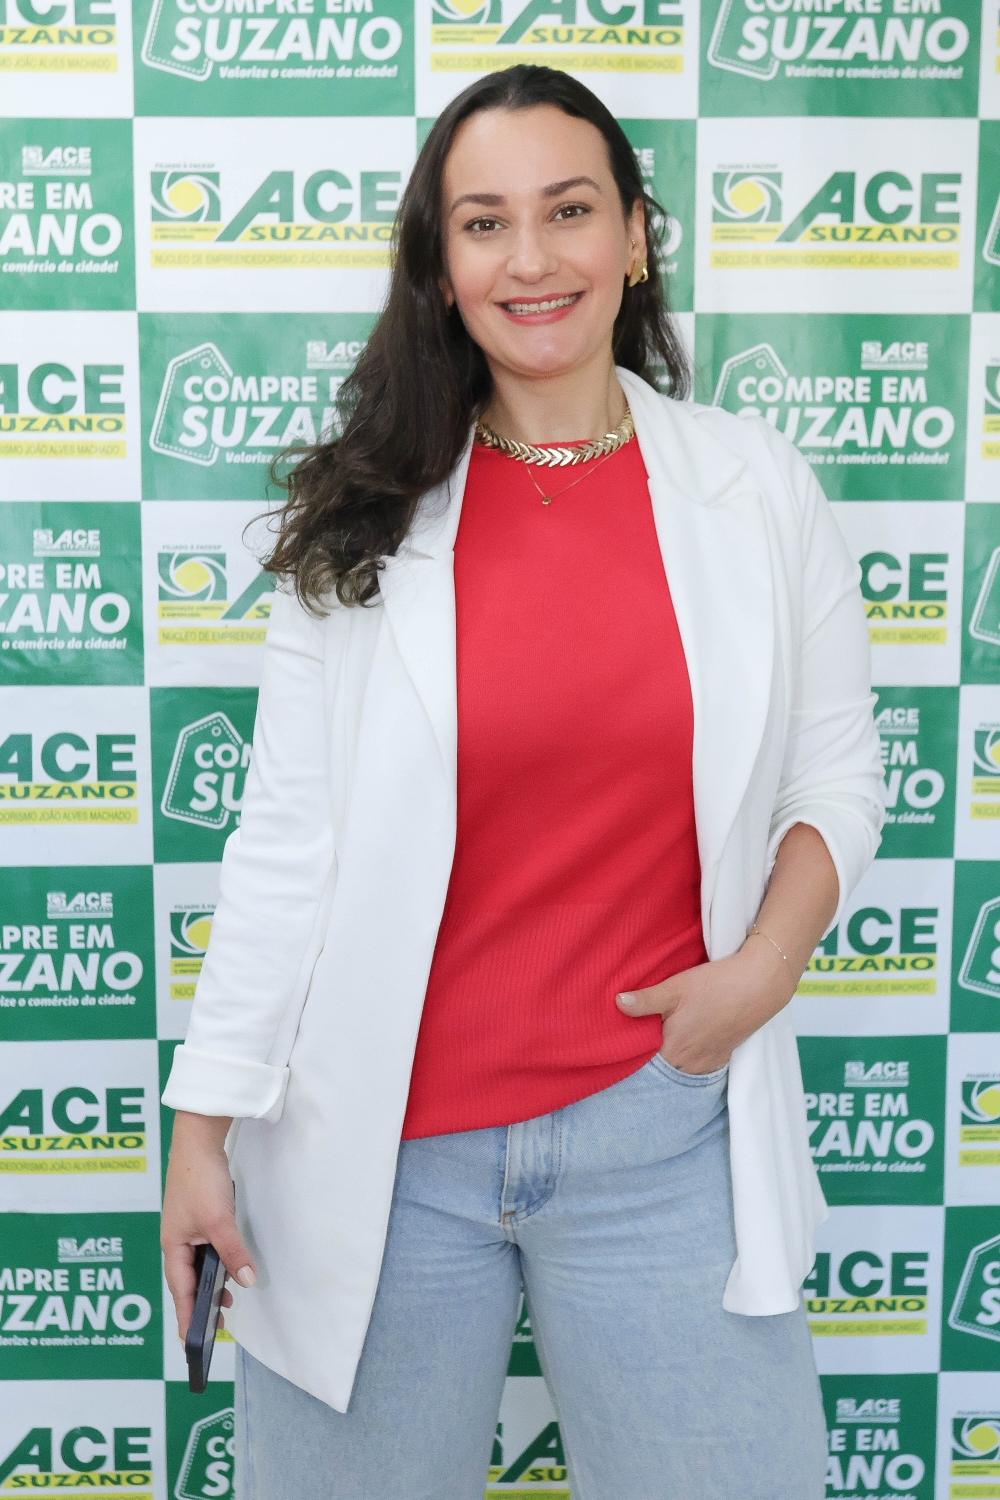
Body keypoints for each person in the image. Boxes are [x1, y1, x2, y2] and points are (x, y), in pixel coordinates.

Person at [161, 64, 884, 1500]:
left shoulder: (755, 486)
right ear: (441, 269)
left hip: (664, 1135)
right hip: (382, 1153)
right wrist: (201, 1136)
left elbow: (837, 775)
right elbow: (285, 848)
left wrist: (760, 976)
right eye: (484, 224)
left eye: (569, 210)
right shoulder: (363, 516)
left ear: (635, 234)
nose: (532, 258)